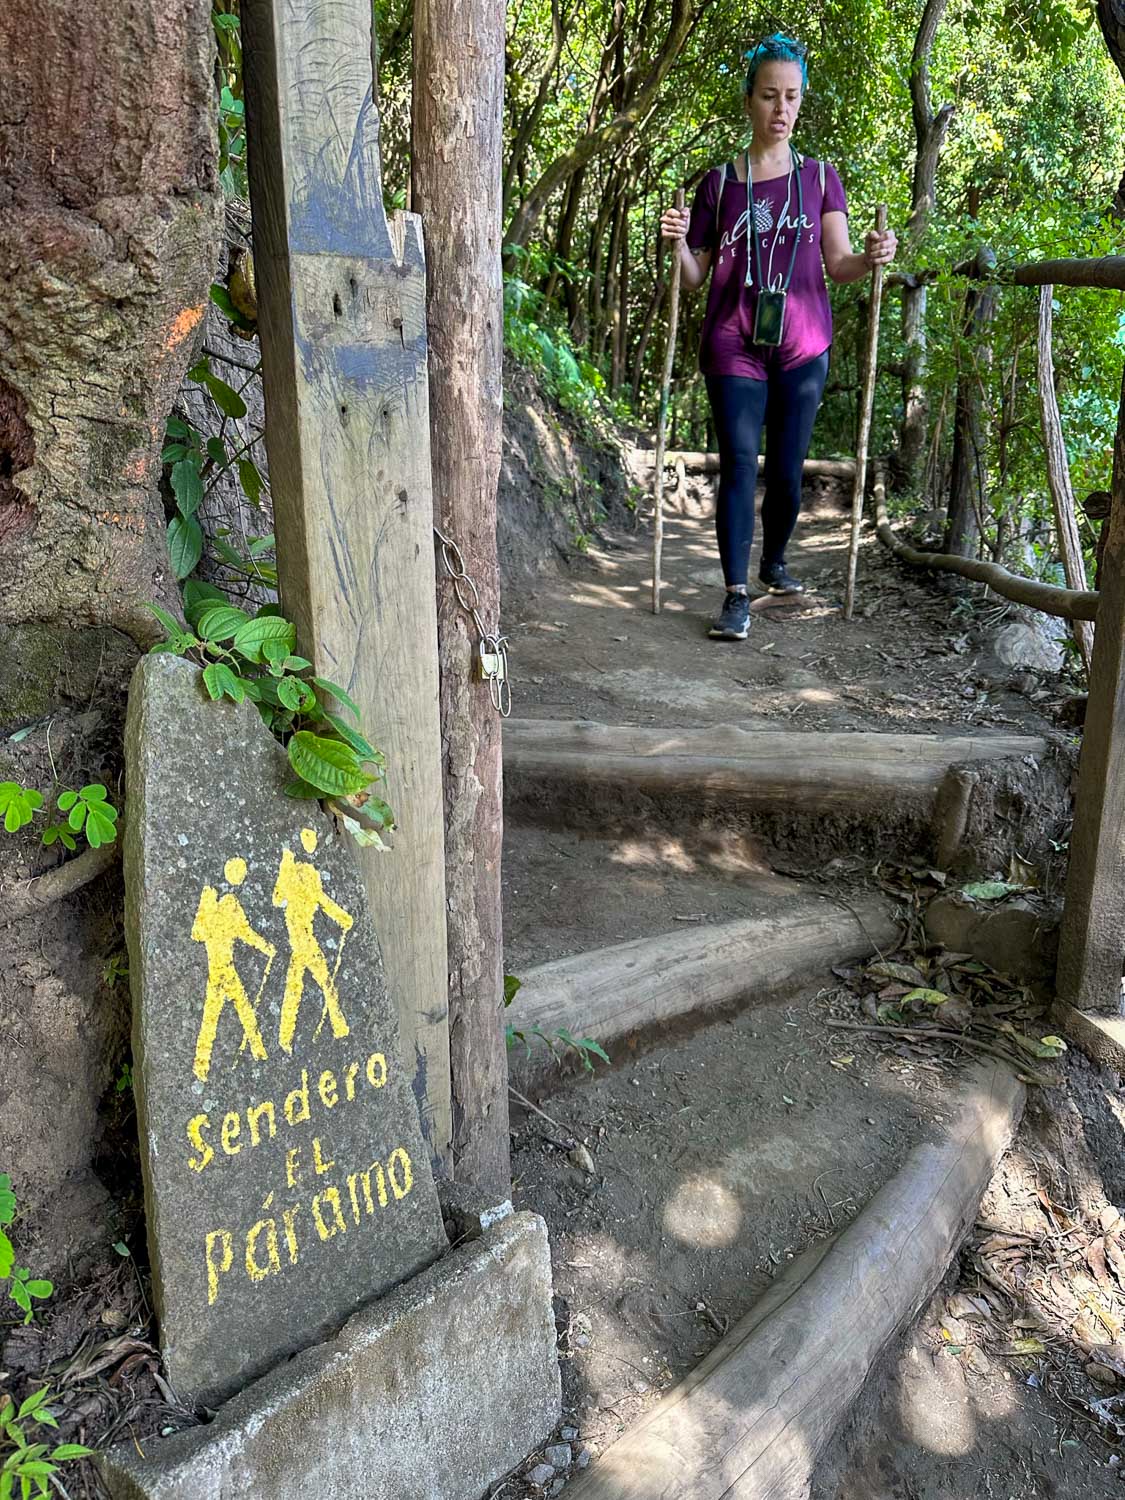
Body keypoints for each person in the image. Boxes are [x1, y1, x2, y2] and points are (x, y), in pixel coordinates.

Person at [660, 33, 897, 640]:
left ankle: (774, 563)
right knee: (740, 463)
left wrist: (871, 258)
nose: (781, 109)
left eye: (791, 97)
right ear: (749, 101)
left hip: (803, 345)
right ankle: (736, 593)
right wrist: (679, 243)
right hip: (733, 340)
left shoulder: (820, 178)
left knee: (787, 470)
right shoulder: (719, 184)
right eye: (769, 96)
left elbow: (838, 263)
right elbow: (694, 278)